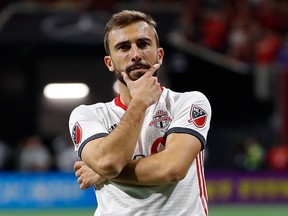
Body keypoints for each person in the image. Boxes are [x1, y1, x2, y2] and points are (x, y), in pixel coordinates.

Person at [69, 10, 212, 216]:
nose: (135, 54)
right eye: (123, 47)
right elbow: (107, 163)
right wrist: (140, 102)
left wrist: (106, 173)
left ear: (159, 55)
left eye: (143, 44)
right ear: (110, 63)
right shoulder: (87, 115)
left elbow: (171, 168)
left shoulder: (189, 102)